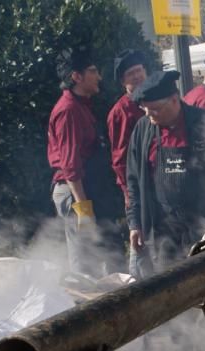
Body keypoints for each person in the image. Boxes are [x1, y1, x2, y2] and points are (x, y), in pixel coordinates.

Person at [125, 70, 205, 277]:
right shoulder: (143, 130)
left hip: (202, 221)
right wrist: (135, 223)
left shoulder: (204, 123)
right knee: (169, 286)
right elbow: (133, 179)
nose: (150, 117)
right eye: (146, 111)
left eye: (155, 110)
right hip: (164, 226)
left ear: (174, 100)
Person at [48, 48, 123, 276]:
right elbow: (70, 165)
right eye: (92, 71)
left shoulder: (81, 105)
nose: (98, 76)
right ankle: (85, 310)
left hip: (85, 190)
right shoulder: (69, 110)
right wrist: (83, 209)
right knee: (85, 264)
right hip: (75, 193)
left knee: (102, 255)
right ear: (76, 77)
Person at [107, 49, 147, 208]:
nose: (137, 76)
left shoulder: (154, 102)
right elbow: (120, 156)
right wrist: (128, 192)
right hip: (138, 183)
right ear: (123, 81)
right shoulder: (120, 112)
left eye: (139, 70)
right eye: (131, 74)